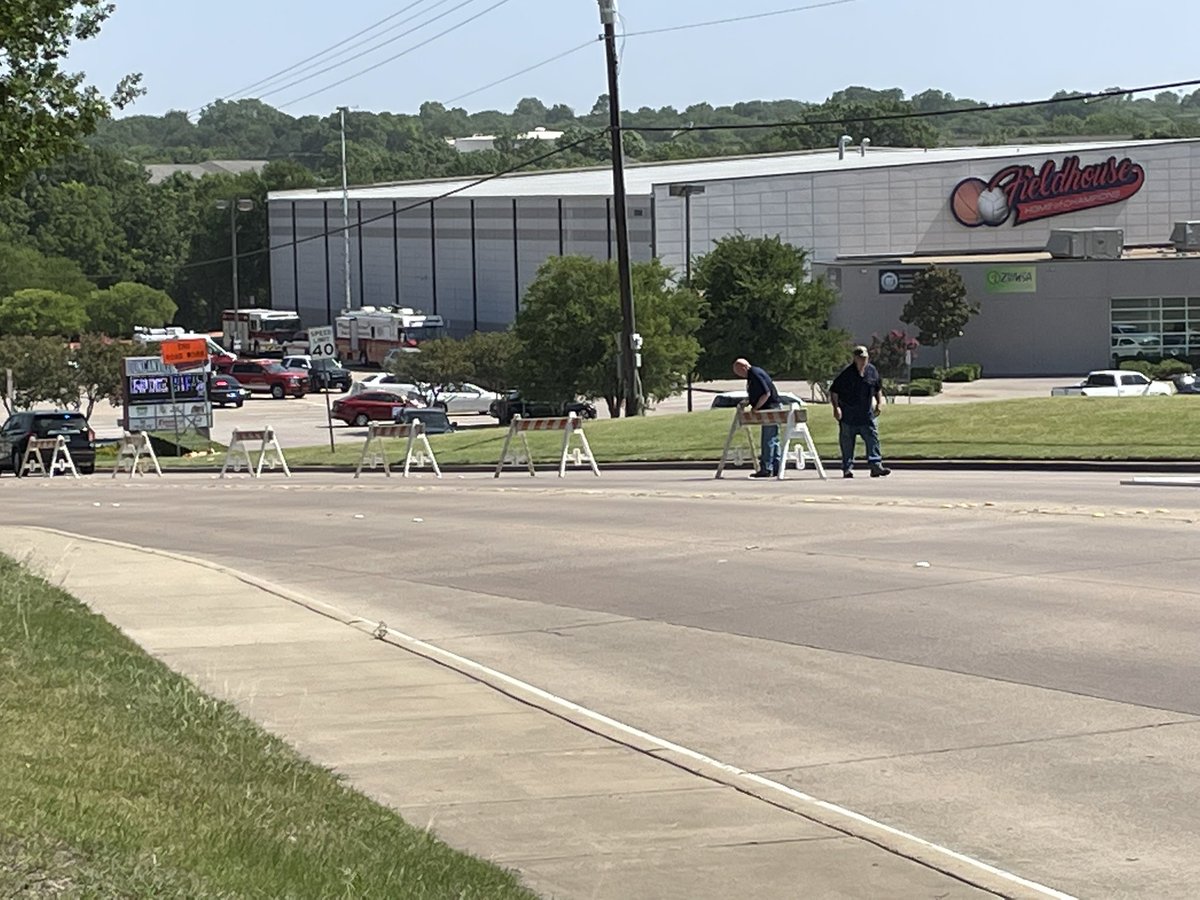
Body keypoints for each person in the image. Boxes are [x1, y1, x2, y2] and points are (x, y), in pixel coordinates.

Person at [830, 345, 891, 478]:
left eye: (864, 358)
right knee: (847, 443)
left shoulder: (872, 371)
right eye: (860, 358)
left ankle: (875, 466)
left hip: (866, 415)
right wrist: (836, 408)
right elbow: (834, 391)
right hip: (848, 415)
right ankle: (847, 468)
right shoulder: (847, 374)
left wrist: (879, 403)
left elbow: (877, 387)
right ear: (855, 358)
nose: (863, 360)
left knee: (872, 439)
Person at [732, 358, 781, 478]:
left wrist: (756, 408)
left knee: (768, 439)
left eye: (738, 372)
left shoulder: (754, 373)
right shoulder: (755, 373)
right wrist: (749, 401)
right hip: (774, 407)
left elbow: (766, 393)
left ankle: (766, 468)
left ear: (743, 367)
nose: (739, 375)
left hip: (769, 408)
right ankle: (777, 467)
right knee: (773, 439)